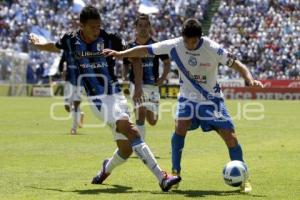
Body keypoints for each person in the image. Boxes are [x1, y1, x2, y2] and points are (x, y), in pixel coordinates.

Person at [102, 18, 264, 193]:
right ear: (182, 37)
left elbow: (237, 64)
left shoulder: (212, 47)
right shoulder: (175, 44)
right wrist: (121, 54)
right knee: (180, 126)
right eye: (186, 41)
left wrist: (249, 79)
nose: (189, 45)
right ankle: (175, 172)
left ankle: (243, 178)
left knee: (230, 137)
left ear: (200, 38)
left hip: (212, 99)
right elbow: (145, 50)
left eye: (193, 42)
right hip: (187, 98)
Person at [29, 5, 181, 191]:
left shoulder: (110, 38)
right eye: (92, 27)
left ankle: (105, 169)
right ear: (82, 25)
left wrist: (138, 87)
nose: (96, 30)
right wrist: (38, 44)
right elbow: (55, 46)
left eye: (98, 26)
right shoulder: (70, 39)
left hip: (116, 94)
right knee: (132, 130)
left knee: (125, 149)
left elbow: (135, 58)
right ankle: (162, 177)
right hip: (97, 99)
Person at [123, 14, 170, 141]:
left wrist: (163, 77)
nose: (143, 28)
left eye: (145, 25)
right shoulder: (130, 46)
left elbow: (167, 62)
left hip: (152, 86)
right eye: (140, 26)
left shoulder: (156, 46)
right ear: (136, 28)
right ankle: (140, 146)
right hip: (136, 85)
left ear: (149, 27)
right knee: (140, 113)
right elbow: (126, 64)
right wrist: (125, 79)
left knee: (152, 121)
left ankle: (138, 137)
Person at [58, 50, 84, 134]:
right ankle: (80, 114)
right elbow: (62, 62)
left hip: (80, 81)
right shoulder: (66, 50)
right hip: (69, 81)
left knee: (76, 104)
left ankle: (74, 128)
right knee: (67, 107)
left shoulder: (83, 48)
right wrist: (61, 71)